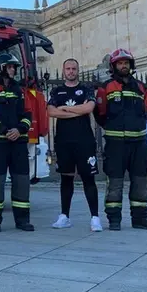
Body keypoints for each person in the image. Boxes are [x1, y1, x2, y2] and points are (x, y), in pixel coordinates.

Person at [93, 48, 147, 231]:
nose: (123, 66)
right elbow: (100, 114)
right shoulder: (105, 87)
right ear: (114, 66)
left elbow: (146, 112)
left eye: (126, 63)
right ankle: (114, 219)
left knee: (140, 181)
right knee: (114, 181)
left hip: (138, 143)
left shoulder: (141, 87)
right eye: (120, 63)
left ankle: (140, 219)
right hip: (115, 144)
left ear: (131, 65)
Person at [47, 58, 102, 232]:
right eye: (68, 68)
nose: (71, 71)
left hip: (84, 140)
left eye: (74, 68)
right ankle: (64, 216)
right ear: (63, 71)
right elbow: (51, 111)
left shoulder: (86, 89)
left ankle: (95, 218)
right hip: (64, 141)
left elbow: (88, 109)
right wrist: (76, 110)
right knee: (66, 178)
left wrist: (64, 109)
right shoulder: (57, 91)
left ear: (78, 70)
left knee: (88, 178)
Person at [0, 53, 35, 232]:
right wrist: (4, 131)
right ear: (0, 68)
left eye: (14, 67)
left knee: (22, 181)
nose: (13, 70)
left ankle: (22, 220)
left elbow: (28, 114)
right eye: (10, 67)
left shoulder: (20, 90)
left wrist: (19, 130)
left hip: (18, 143)